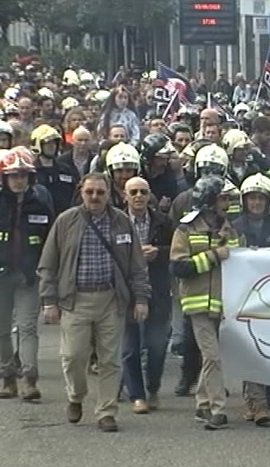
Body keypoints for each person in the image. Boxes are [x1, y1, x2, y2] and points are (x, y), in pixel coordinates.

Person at [38, 172, 150, 432]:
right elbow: (47, 264)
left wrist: (141, 299)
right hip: (75, 300)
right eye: (90, 192)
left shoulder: (121, 222)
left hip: (111, 300)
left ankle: (106, 412)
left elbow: (137, 266)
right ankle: (75, 396)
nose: (95, 197)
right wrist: (48, 301)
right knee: (74, 356)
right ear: (81, 192)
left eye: (100, 192)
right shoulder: (66, 221)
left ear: (109, 193)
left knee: (111, 360)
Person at [170, 175, 243, 430]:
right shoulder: (185, 229)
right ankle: (218, 409)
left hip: (223, 303)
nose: (228, 203)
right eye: (223, 198)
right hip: (197, 304)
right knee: (212, 356)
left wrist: (226, 240)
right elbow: (179, 266)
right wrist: (213, 255)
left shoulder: (230, 227)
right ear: (209, 200)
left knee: (212, 357)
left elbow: (238, 260)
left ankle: (202, 403)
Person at [0, 149, 54, 401]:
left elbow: (50, 243)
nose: (18, 180)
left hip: (28, 277)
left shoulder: (41, 204)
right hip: (1, 277)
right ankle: (7, 376)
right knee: (1, 329)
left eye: (23, 175)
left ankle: (30, 379)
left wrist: (47, 274)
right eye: (13, 175)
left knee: (27, 327)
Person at [232, 173, 270, 426]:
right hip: (242, 295)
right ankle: (257, 402)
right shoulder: (233, 227)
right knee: (249, 348)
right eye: (251, 198)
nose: (256, 203)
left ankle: (262, 398)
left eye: (260, 198)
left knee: (266, 349)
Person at [121, 177, 174, 414]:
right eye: (133, 192)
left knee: (157, 346)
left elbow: (178, 250)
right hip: (126, 291)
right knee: (130, 348)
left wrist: (159, 253)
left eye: (143, 192)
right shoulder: (116, 221)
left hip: (158, 290)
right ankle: (137, 395)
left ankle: (153, 388)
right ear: (125, 196)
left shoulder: (164, 222)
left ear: (149, 195)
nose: (138, 196)